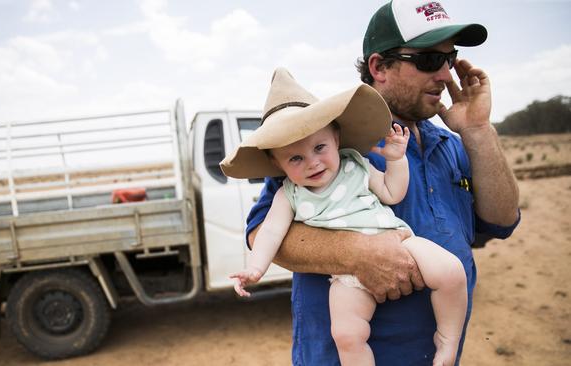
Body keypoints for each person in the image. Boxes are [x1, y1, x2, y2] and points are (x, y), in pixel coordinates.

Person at [238, 0, 521, 365]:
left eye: (449, 60)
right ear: (379, 67)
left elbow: (501, 221)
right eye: (430, 61)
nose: (446, 76)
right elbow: (262, 234)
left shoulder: (454, 144)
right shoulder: (324, 148)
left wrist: (479, 130)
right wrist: (356, 254)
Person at [221, 67, 468, 366]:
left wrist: (396, 160)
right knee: (347, 335)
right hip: (345, 278)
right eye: (296, 158)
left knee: (453, 272)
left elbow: (392, 192)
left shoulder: (356, 165)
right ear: (277, 163)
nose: (312, 162)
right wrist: (255, 269)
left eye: (319, 147)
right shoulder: (289, 194)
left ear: (336, 138)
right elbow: (270, 232)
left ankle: (447, 339)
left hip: (397, 240)